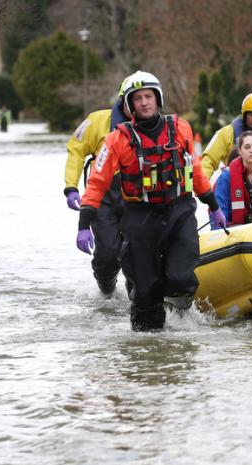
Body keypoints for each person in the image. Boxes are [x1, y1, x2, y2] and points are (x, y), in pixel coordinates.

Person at [76, 71, 227, 331]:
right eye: (137, 99)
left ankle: (181, 319)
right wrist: (83, 224)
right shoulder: (117, 140)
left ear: (158, 99)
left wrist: (213, 205)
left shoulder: (182, 129)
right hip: (139, 217)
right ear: (129, 105)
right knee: (145, 293)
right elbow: (97, 183)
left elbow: (196, 171)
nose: (144, 102)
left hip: (179, 212)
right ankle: (148, 352)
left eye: (148, 96)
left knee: (180, 278)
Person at [64, 77, 131, 294]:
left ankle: (137, 292)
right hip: (104, 197)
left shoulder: (152, 126)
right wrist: (71, 187)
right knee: (108, 252)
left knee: (137, 250)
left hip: (136, 194)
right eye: (134, 99)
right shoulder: (97, 120)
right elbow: (76, 150)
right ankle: (106, 286)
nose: (141, 104)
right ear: (124, 100)